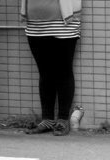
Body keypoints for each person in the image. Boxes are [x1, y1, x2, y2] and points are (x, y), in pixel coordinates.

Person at [20, 0, 82, 136]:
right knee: (45, 73)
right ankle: (47, 120)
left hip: (64, 23)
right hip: (35, 25)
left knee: (64, 72)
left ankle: (63, 119)